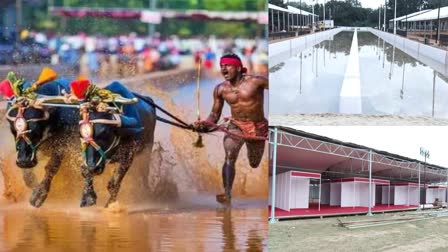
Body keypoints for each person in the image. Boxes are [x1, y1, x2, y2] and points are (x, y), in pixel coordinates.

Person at [194, 53, 268, 204]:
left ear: (239, 67)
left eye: (227, 65)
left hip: (257, 128)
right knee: (229, 156)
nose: (223, 69)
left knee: (254, 164)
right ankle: (227, 194)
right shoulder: (220, 89)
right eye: (221, 66)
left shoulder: (257, 81)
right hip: (236, 126)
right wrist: (203, 125)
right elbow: (214, 115)